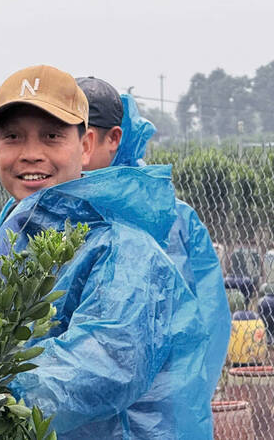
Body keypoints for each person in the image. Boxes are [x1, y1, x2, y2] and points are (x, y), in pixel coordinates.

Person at [0, 65, 212, 438]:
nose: (30, 154)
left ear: (85, 145)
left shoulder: (125, 252)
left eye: (51, 136)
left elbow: (103, 364)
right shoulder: (6, 238)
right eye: (12, 136)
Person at [76, 76, 230, 400]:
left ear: (114, 138)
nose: (76, 145)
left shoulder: (174, 218)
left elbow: (210, 315)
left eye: (84, 135)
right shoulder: (48, 207)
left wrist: (186, 394)